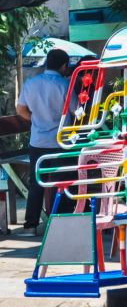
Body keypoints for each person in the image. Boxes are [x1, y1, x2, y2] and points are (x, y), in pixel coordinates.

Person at [16, 48, 72, 236]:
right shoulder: (65, 85)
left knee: (36, 184)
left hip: (38, 141)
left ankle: (31, 226)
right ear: (64, 66)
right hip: (60, 142)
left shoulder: (31, 83)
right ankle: (61, 225)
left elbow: (21, 109)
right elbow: (75, 110)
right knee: (63, 183)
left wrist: (36, 120)